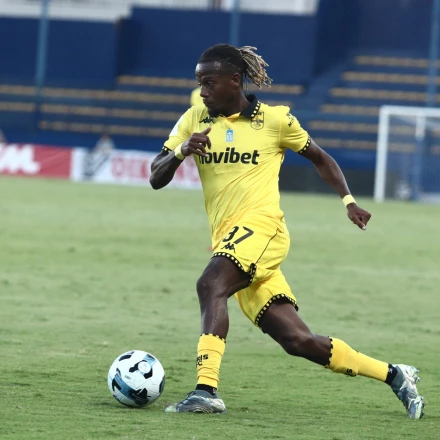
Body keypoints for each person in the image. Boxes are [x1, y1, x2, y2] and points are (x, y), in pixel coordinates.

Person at [149, 44, 425, 418]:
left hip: (263, 230)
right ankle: (394, 374)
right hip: (230, 241)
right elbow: (156, 176)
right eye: (200, 83)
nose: (203, 91)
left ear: (235, 81)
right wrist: (181, 150)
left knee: (210, 284)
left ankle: (206, 390)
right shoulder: (193, 119)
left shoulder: (275, 120)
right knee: (297, 340)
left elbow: (320, 157)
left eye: (209, 83)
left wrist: (348, 201)